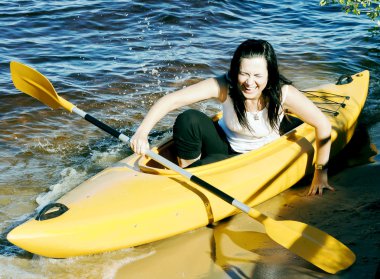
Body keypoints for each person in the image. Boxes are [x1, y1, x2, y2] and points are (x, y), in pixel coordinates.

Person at [130, 39, 334, 196]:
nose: (250, 82)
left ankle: (189, 181)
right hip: (222, 143)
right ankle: (188, 172)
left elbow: (322, 125)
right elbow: (171, 100)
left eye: (257, 76)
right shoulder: (225, 85)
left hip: (252, 157)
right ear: (235, 71)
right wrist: (142, 132)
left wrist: (320, 172)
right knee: (188, 119)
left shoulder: (283, 93)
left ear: (269, 74)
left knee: (211, 164)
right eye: (244, 74)